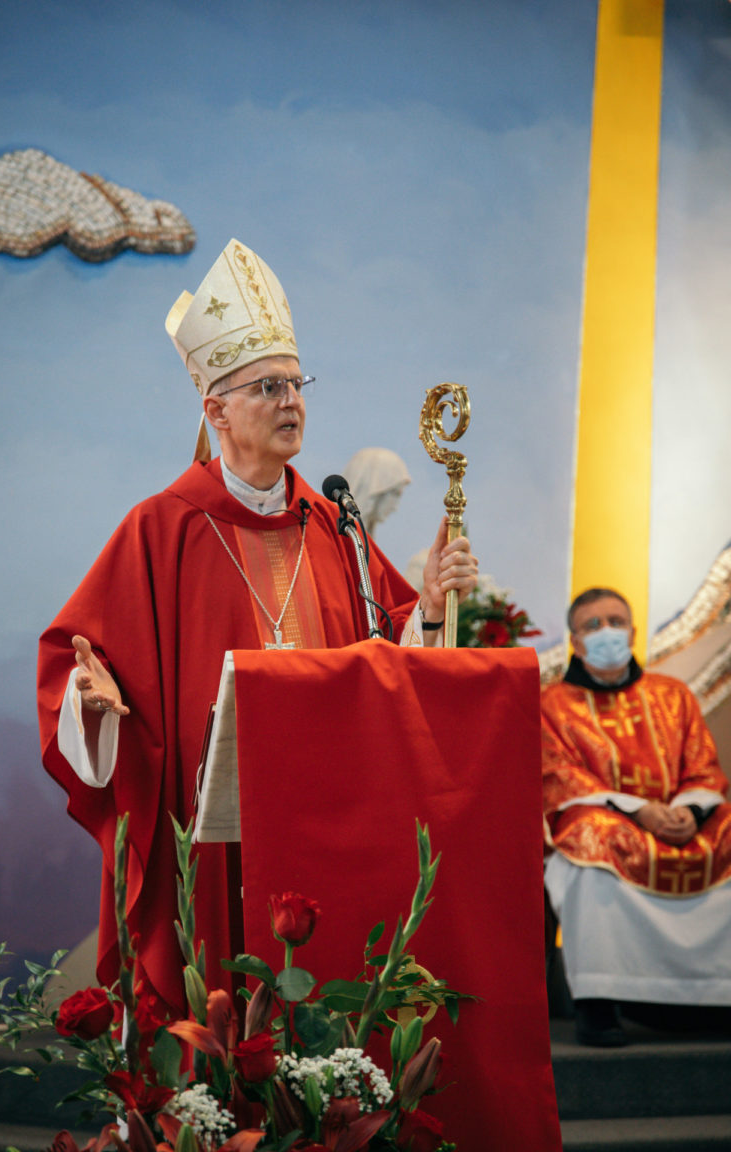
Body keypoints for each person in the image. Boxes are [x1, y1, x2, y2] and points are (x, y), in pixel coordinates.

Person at [37, 238, 478, 1020]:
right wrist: (92, 704)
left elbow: (393, 652)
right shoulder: (163, 529)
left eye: (296, 384)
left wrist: (434, 609)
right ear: (216, 410)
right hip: (211, 843)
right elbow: (75, 663)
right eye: (267, 386)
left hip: (327, 819)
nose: (291, 402)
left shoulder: (335, 524)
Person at [541, 586, 731, 1047]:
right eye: (593, 625)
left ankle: (713, 997)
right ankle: (600, 1001)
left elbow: (702, 766)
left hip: (675, 818)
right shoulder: (553, 704)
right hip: (608, 820)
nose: (608, 632)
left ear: (633, 630)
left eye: (616, 621)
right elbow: (558, 777)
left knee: (725, 829)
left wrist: (687, 811)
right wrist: (638, 810)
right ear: (575, 642)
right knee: (589, 843)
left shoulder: (673, 696)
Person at [342, 447, 411, 537]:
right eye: (396, 493)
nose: (395, 507)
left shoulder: (365, 538)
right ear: (373, 490)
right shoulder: (331, 531)